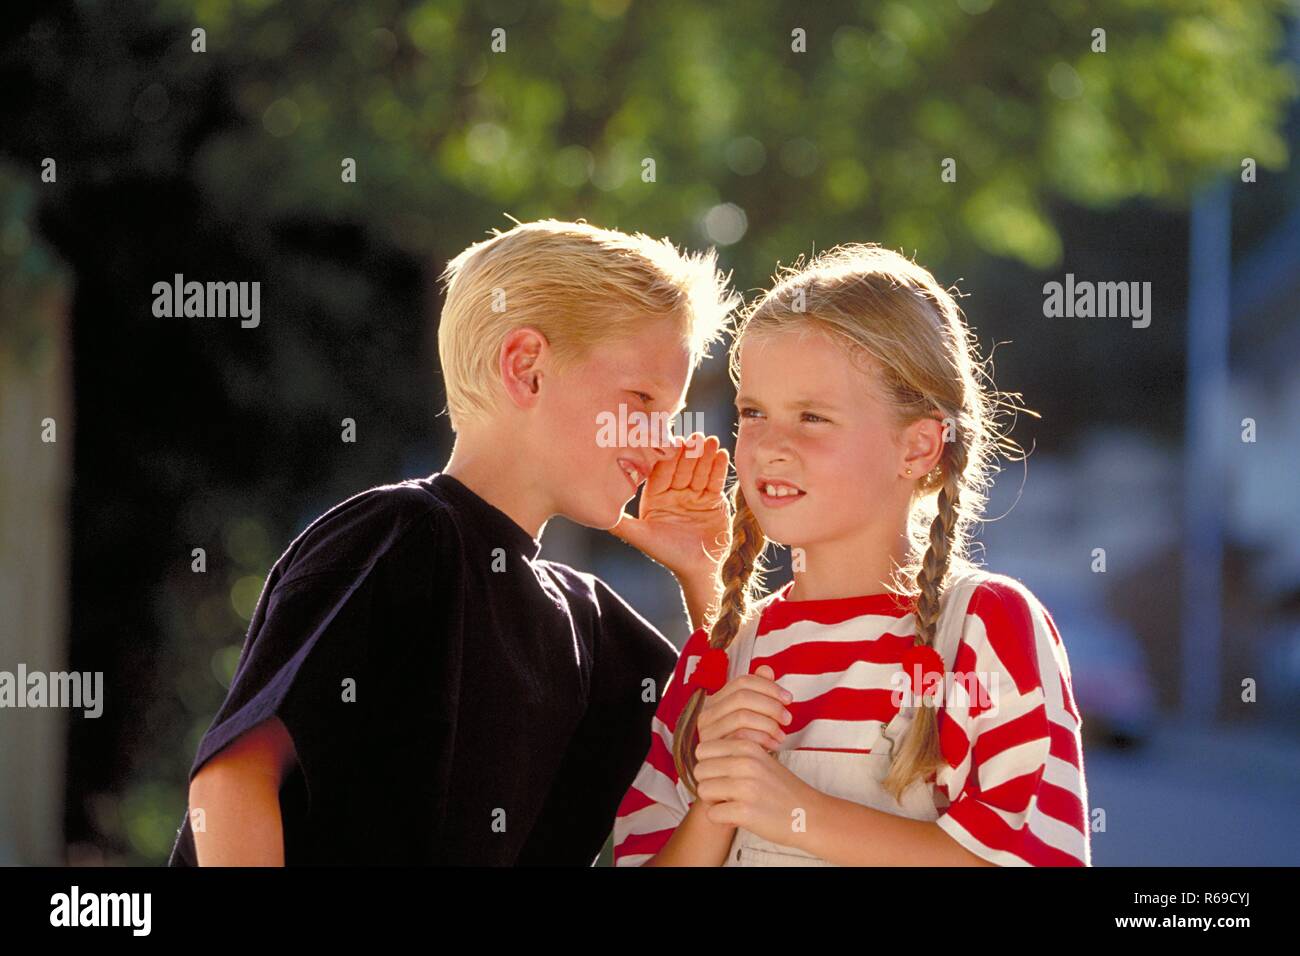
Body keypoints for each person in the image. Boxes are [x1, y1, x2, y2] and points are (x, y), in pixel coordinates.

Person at [168, 218, 740, 865]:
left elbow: (745, 765)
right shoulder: (399, 536)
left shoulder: (599, 631)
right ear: (526, 368)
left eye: (671, 416)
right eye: (642, 400)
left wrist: (703, 575)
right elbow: (232, 780)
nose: (663, 442)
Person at [613, 244, 1091, 866]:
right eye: (753, 412)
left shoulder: (984, 628)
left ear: (917, 448)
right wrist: (717, 798)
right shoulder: (716, 660)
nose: (770, 447)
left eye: (812, 416)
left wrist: (794, 812)